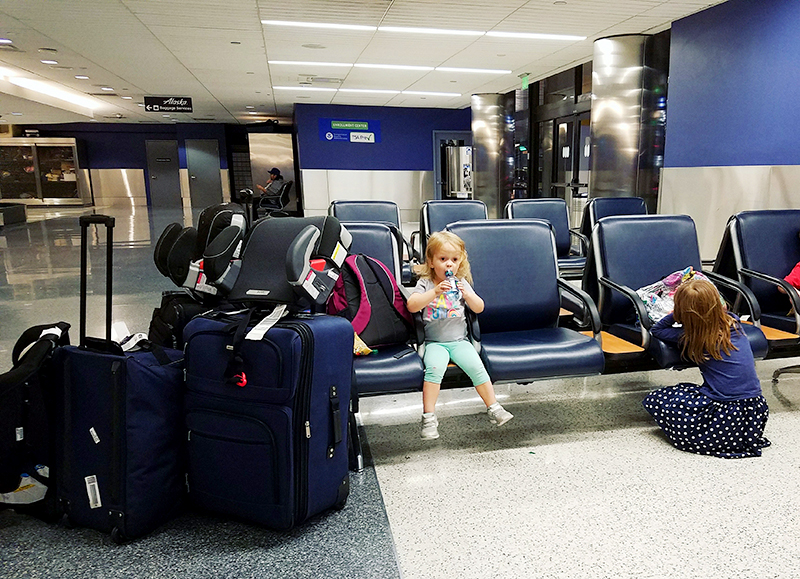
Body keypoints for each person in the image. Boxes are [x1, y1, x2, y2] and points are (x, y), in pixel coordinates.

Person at [642, 278, 770, 458]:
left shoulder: (692, 337)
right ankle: (735, 438)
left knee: (658, 398)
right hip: (753, 412)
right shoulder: (734, 324)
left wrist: (675, 315)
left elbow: (657, 330)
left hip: (723, 415)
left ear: (684, 313)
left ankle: (707, 434)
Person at [407, 231, 513, 440]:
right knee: (434, 372)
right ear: (430, 261)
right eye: (443, 259)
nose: (449, 265)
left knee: (477, 368)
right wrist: (435, 292)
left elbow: (479, 307)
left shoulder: (461, 282)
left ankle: (493, 407)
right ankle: (429, 417)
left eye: (454, 260)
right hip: (435, 343)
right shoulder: (426, 284)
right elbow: (412, 305)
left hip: (459, 341)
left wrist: (468, 294)